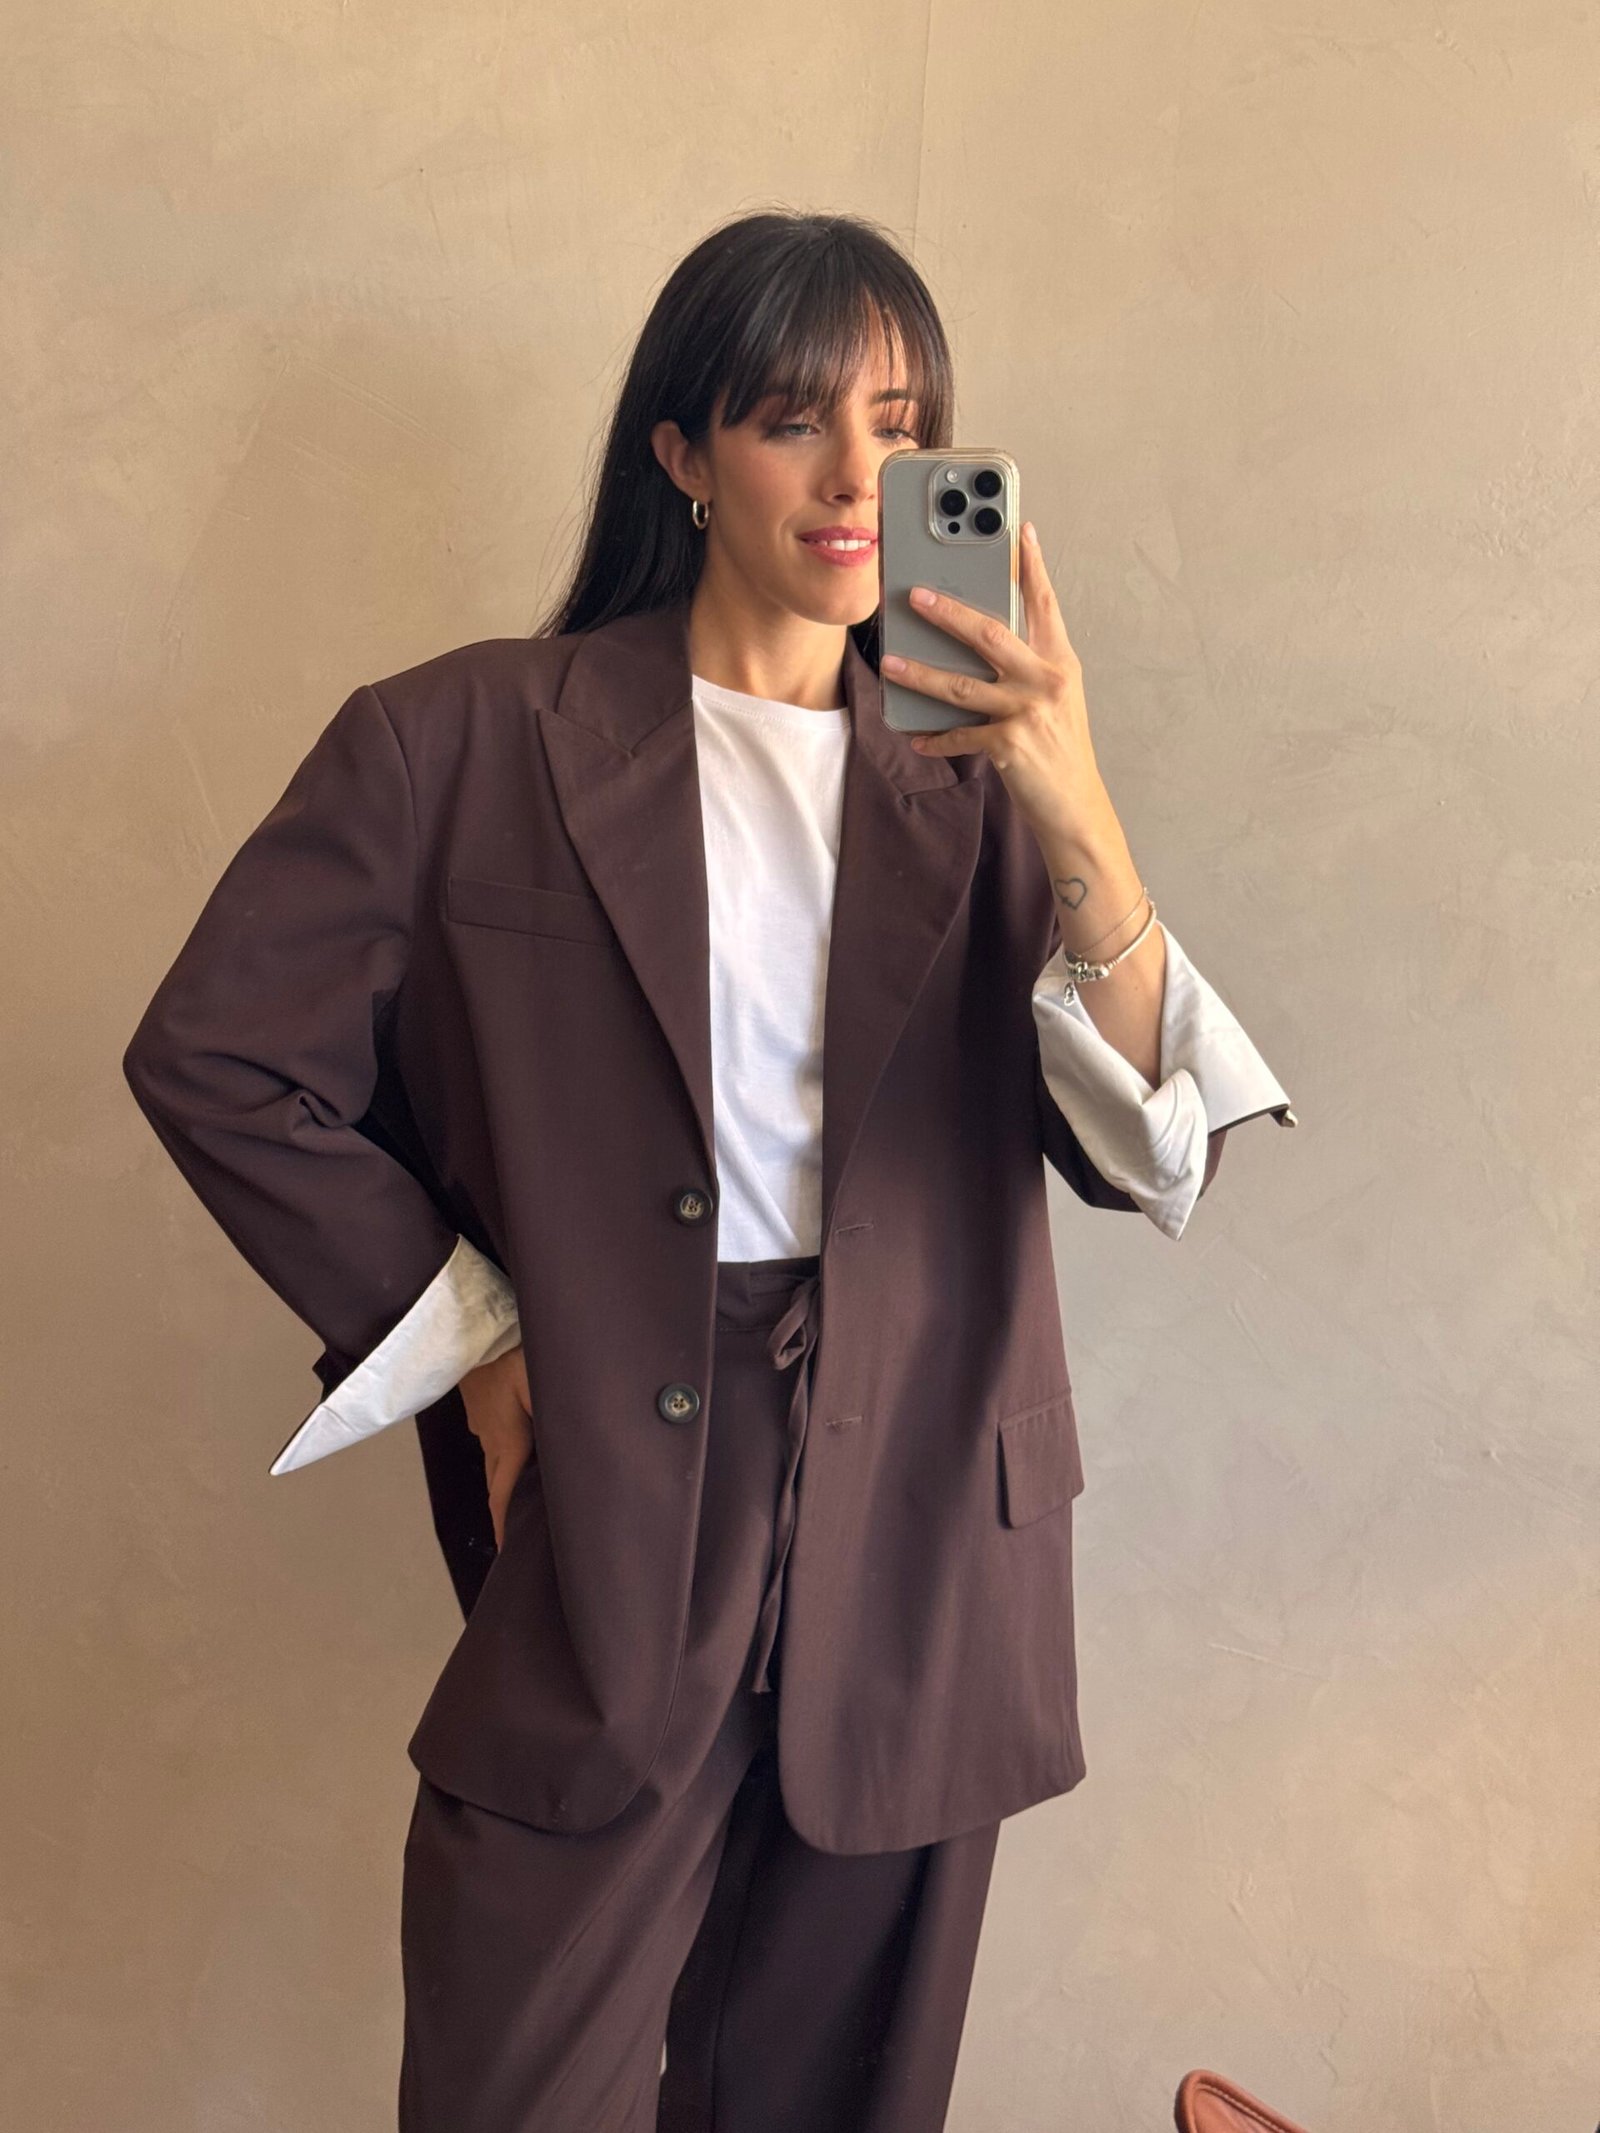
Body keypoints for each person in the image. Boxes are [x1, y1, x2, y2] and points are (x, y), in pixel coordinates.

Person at [122, 209, 1295, 2132]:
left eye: (900, 428)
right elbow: (222, 1054)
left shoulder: (978, 783)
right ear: (681, 451)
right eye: (791, 420)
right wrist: (471, 1337)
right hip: (612, 1484)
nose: (855, 482)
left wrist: (1072, 793)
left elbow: (1162, 1151)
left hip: (927, 1507)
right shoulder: (461, 739)